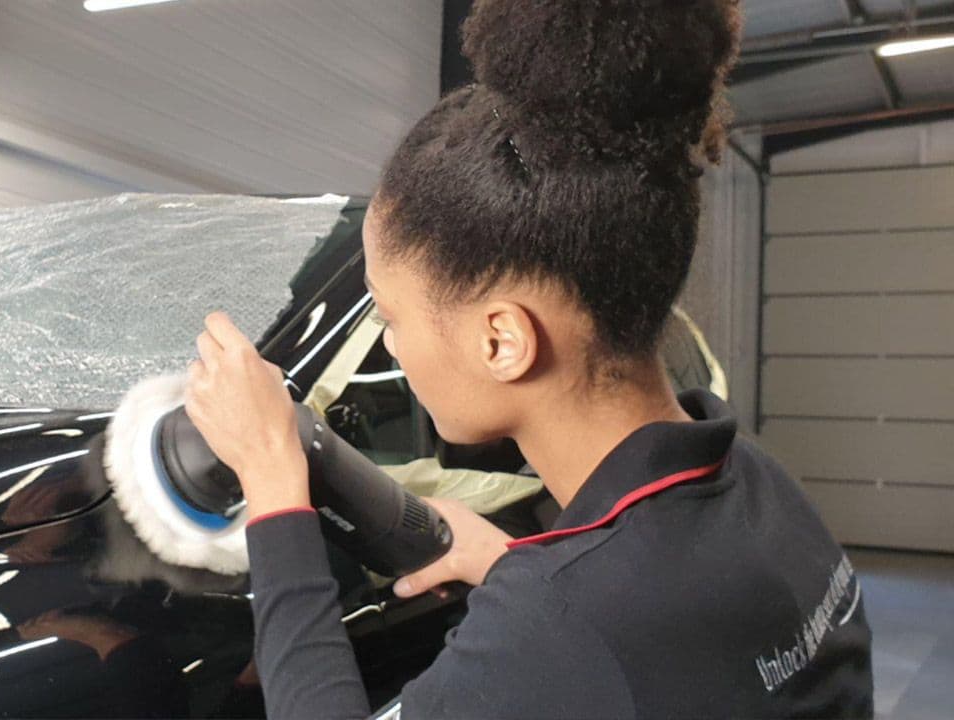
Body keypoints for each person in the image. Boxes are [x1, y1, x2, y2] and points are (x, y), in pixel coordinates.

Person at [184, 0, 874, 717]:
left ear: (502, 341)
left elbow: (594, 636)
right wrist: (515, 564)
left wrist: (272, 486)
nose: (390, 342)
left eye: (390, 315)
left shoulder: (561, 622)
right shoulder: (765, 492)